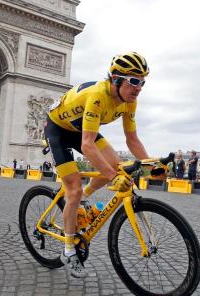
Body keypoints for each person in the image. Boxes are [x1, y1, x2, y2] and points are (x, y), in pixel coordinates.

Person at [44, 51, 151, 278]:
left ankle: (85, 196)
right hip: (58, 131)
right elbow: (88, 145)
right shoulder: (98, 95)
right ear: (115, 78)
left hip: (80, 129)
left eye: (142, 81)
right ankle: (68, 250)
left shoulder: (130, 101)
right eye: (133, 80)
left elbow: (132, 139)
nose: (139, 87)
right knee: (73, 189)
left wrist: (152, 165)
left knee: (116, 165)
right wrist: (112, 177)